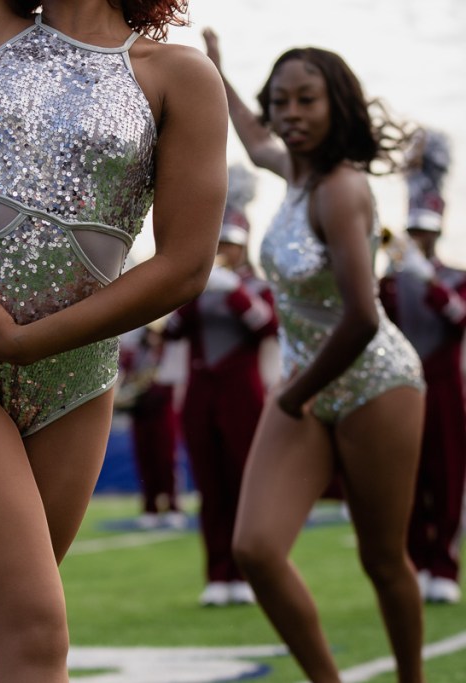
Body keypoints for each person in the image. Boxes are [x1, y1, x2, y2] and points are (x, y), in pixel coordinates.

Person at [0, 0, 228, 679]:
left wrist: (23, 343)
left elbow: (185, 264)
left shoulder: (179, 76)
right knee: (36, 633)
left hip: (75, 385)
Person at [204, 29, 427, 683]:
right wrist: (218, 71)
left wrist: (294, 395)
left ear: (338, 107)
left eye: (307, 100)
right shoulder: (290, 170)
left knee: (383, 559)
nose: (290, 114)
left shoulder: (340, 189)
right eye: (281, 101)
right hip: (307, 382)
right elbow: (252, 137)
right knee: (256, 548)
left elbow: (361, 317)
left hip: (376, 382)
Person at [164, 164, 278, 607]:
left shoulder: (258, 287)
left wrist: (233, 291)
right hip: (201, 392)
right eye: (220, 242)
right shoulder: (197, 284)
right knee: (211, 487)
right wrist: (193, 291)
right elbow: (171, 331)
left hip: (242, 391)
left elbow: (266, 326)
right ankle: (217, 573)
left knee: (243, 483)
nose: (225, 250)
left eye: (231, 242)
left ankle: (246, 572)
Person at [380, 128, 466, 605]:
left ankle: (444, 566)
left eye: (427, 232)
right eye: (415, 232)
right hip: (404, 385)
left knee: (448, 474)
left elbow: (459, 319)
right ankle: (414, 560)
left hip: (447, 383)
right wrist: (394, 270)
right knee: (406, 477)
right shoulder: (393, 277)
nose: (420, 239)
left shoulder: (454, 277)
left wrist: (428, 278)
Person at [115, 323, 185, 530]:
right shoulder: (135, 353)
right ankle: (150, 508)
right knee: (145, 459)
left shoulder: (167, 352)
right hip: (140, 412)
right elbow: (126, 376)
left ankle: (173, 507)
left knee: (166, 459)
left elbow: (171, 378)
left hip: (163, 411)